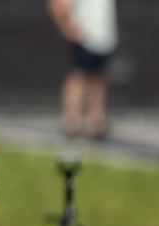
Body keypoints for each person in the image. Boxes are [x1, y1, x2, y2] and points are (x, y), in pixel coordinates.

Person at [48, 0, 118, 139]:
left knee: (98, 77)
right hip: (85, 38)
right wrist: (66, 26)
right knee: (79, 76)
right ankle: (71, 122)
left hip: (104, 39)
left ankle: (95, 123)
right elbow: (57, 3)